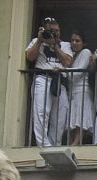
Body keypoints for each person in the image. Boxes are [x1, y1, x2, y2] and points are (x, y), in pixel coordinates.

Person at [25, 17, 73, 147]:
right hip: (42, 78)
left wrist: (55, 45)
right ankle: (44, 146)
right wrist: (40, 40)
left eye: (57, 30)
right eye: (51, 30)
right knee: (41, 113)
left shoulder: (66, 45)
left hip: (59, 83)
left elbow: (68, 62)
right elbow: (30, 57)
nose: (55, 33)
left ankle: (54, 145)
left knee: (59, 118)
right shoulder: (36, 41)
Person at [66, 30, 94, 145]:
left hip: (83, 90)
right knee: (73, 118)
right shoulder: (72, 55)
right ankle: (72, 143)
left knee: (80, 118)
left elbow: (78, 73)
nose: (74, 43)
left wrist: (62, 71)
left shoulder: (86, 52)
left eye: (77, 40)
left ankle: (76, 144)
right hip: (73, 91)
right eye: (72, 40)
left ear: (84, 43)